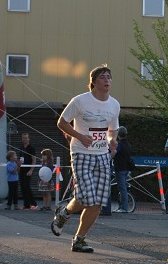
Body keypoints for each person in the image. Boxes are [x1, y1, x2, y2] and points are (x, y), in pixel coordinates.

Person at [50, 65, 120, 253]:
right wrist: (79, 136)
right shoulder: (80, 101)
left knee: (97, 203)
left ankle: (79, 239)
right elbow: (61, 122)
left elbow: (113, 130)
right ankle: (65, 212)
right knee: (86, 197)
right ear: (94, 82)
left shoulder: (114, 104)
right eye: (103, 77)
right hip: (81, 152)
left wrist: (112, 140)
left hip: (102, 155)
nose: (107, 80)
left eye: (109, 77)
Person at [112, 126, 133, 213]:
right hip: (127, 168)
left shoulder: (119, 145)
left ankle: (124, 207)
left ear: (118, 135)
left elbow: (114, 152)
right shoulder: (128, 144)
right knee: (123, 187)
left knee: (122, 188)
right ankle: (123, 206)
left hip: (120, 168)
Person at [18, 132, 37, 209]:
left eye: (26, 138)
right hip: (21, 169)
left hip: (28, 169)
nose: (24, 139)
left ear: (29, 139)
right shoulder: (21, 147)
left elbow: (34, 159)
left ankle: (33, 203)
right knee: (22, 186)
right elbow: (20, 159)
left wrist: (31, 170)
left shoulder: (31, 148)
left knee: (27, 186)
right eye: (23, 138)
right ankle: (26, 204)